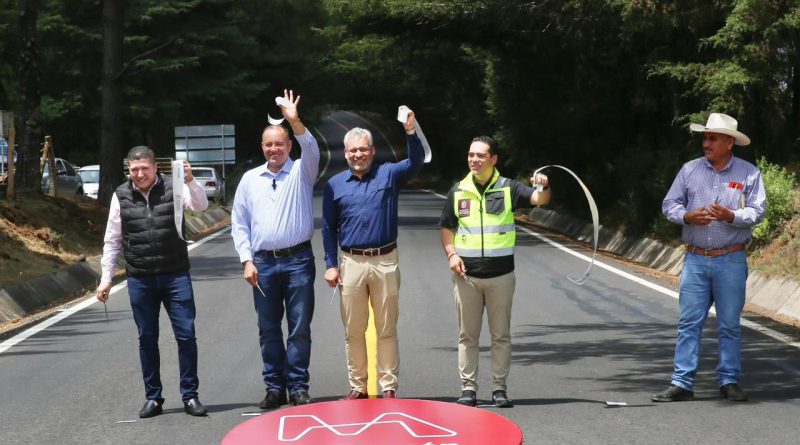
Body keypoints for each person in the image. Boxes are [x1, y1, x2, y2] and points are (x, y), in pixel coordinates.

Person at [652, 112, 766, 402]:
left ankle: (729, 381)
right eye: (705, 137)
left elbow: (757, 211)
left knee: (729, 324)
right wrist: (686, 217)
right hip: (695, 259)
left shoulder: (749, 173)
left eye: (712, 138)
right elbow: (670, 204)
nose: (706, 142)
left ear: (729, 142)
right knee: (689, 323)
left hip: (731, 259)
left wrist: (732, 216)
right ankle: (682, 383)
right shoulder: (690, 170)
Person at [95, 147, 209, 418]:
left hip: (175, 274)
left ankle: (190, 396)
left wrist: (191, 180)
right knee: (147, 339)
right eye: (134, 169)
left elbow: (201, 205)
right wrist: (105, 279)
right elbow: (112, 240)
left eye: (144, 168)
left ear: (155, 167)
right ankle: (153, 398)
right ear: (128, 170)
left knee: (186, 335)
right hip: (140, 277)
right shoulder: (121, 195)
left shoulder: (175, 187)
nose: (139, 174)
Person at [439, 136, 551, 408]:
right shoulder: (458, 190)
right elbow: (446, 227)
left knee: (501, 335)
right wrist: (452, 254)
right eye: (470, 155)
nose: (474, 160)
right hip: (467, 277)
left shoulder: (508, 188)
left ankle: (499, 389)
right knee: (468, 335)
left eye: (480, 155)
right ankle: (468, 389)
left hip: (501, 276)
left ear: (493, 159)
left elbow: (539, 199)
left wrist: (543, 185)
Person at [322, 110, 424, 399]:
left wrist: (410, 133)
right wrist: (331, 264)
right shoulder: (335, 185)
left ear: (372, 150)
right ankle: (358, 385)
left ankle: (388, 386)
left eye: (363, 149)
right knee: (354, 330)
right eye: (353, 150)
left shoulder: (388, 173)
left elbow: (415, 162)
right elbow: (329, 228)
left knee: (386, 328)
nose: (358, 155)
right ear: (346, 153)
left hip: (385, 260)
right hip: (351, 262)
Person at [231, 90, 319, 409]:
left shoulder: (302, 172)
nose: (274, 149)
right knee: (268, 329)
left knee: (298, 328)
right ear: (262, 147)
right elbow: (239, 223)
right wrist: (246, 260)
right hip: (263, 265)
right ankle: (274, 387)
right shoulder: (249, 180)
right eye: (268, 144)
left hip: (298, 261)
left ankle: (297, 386)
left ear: (289, 146)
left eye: (279, 144)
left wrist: (294, 120)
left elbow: (311, 147)